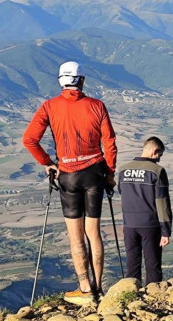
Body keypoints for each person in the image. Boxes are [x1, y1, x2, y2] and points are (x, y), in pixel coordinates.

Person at [23, 61, 117, 303]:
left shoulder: (49, 107)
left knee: (76, 237)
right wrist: (110, 173)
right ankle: (98, 286)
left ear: (60, 82)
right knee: (93, 234)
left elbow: (29, 140)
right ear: (81, 81)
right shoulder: (97, 106)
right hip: (95, 172)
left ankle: (85, 289)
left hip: (68, 174)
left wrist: (47, 163)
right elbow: (109, 143)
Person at [118, 137, 172, 285]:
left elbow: (121, 192)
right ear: (155, 151)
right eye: (159, 155)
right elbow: (162, 203)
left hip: (129, 225)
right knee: (153, 265)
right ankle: (153, 298)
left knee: (132, 265)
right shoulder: (157, 171)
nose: (159, 160)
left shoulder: (123, 170)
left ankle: (131, 296)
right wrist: (166, 231)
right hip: (150, 225)